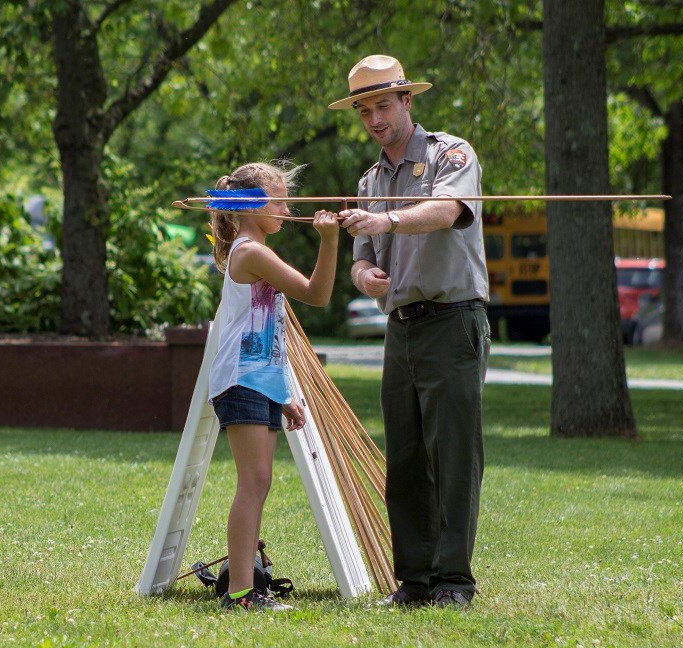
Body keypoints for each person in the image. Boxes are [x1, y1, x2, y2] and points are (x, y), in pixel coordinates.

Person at [330, 55, 491, 608]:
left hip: (453, 320)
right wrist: (364, 278)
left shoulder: (451, 153)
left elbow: (447, 210)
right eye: (364, 111)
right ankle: (415, 582)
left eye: (383, 105)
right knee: (403, 459)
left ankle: (455, 581)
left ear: (407, 101)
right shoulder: (370, 180)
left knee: (453, 456)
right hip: (399, 329)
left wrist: (389, 219)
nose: (374, 119)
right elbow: (361, 260)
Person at [207, 161, 340, 611]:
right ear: (250, 206)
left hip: (258, 380)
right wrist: (329, 241)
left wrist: (283, 396)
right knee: (254, 482)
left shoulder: (256, 250)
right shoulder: (251, 252)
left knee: (259, 482)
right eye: (279, 202)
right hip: (240, 379)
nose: (287, 210)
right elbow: (317, 294)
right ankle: (241, 594)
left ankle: (248, 588)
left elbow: (269, 334)